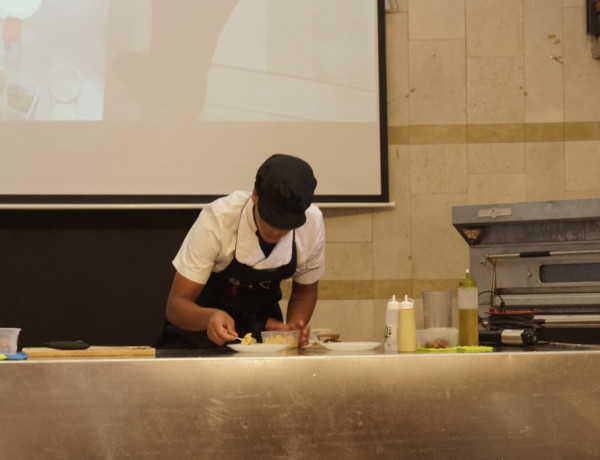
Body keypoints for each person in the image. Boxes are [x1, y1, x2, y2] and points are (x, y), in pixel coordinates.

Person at [155, 153, 325, 349]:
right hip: (198, 334)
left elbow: (305, 292)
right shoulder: (218, 219)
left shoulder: (312, 224)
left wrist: (292, 330)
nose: (277, 230)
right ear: (255, 195)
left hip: (262, 331)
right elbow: (176, 306)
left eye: (287, 225)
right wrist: (210, 317)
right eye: (271, 219)